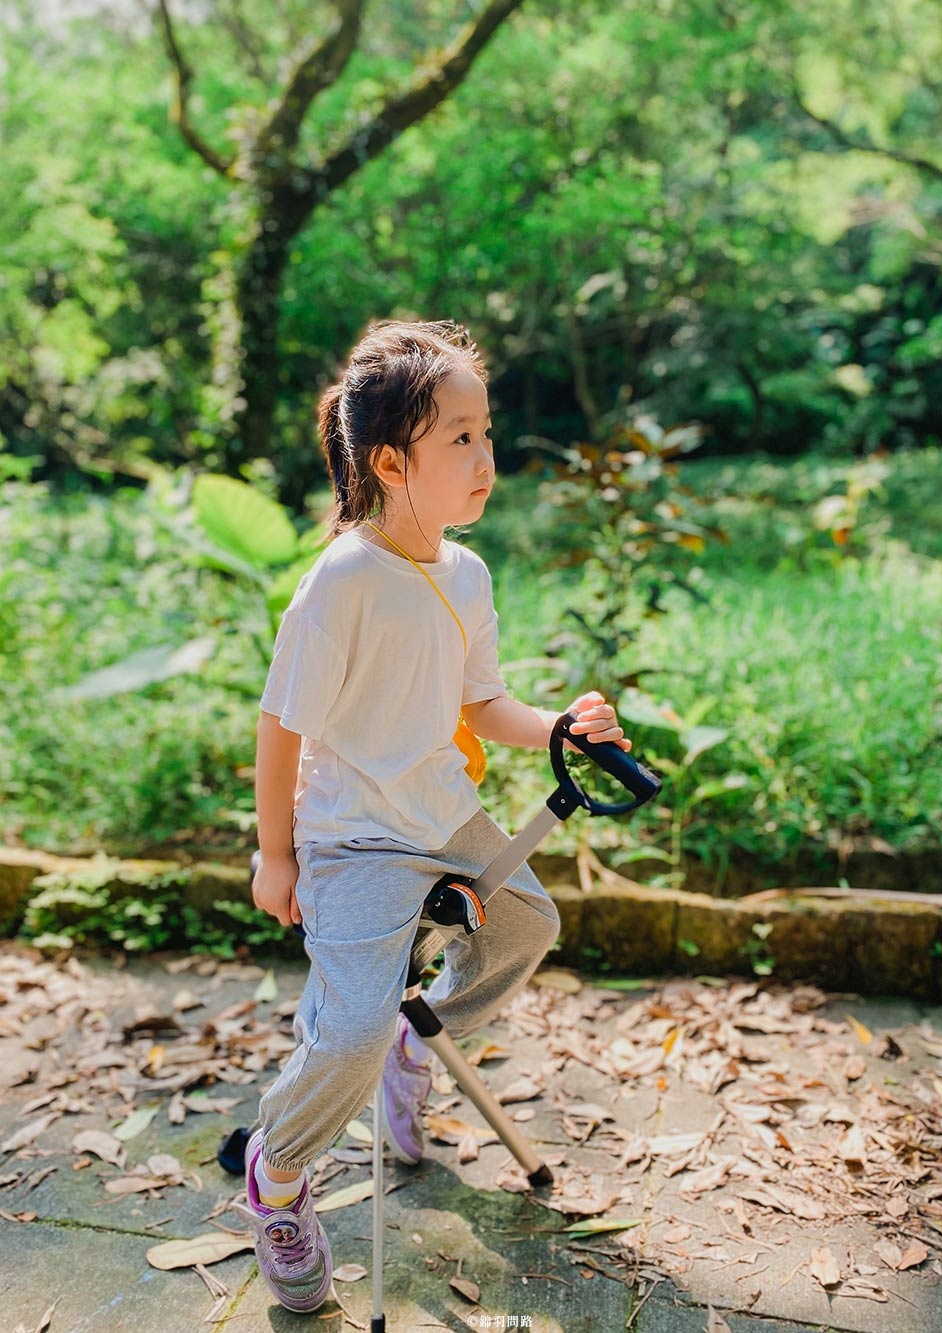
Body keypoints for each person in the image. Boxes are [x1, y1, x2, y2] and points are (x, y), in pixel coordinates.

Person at [243, 319, 631, 1313]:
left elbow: (480, 705)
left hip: (442, 815)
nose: (485, 457)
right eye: (458, 437)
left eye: (486, 432)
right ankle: (278, 1176)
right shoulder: (341, 583)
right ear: (389, 462)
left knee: (528, 922)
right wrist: (275, 855)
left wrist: (562, 728)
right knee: (347, 1032)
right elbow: (280, 725)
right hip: (353, 837)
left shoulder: (465, 574)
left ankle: (425, 1038)